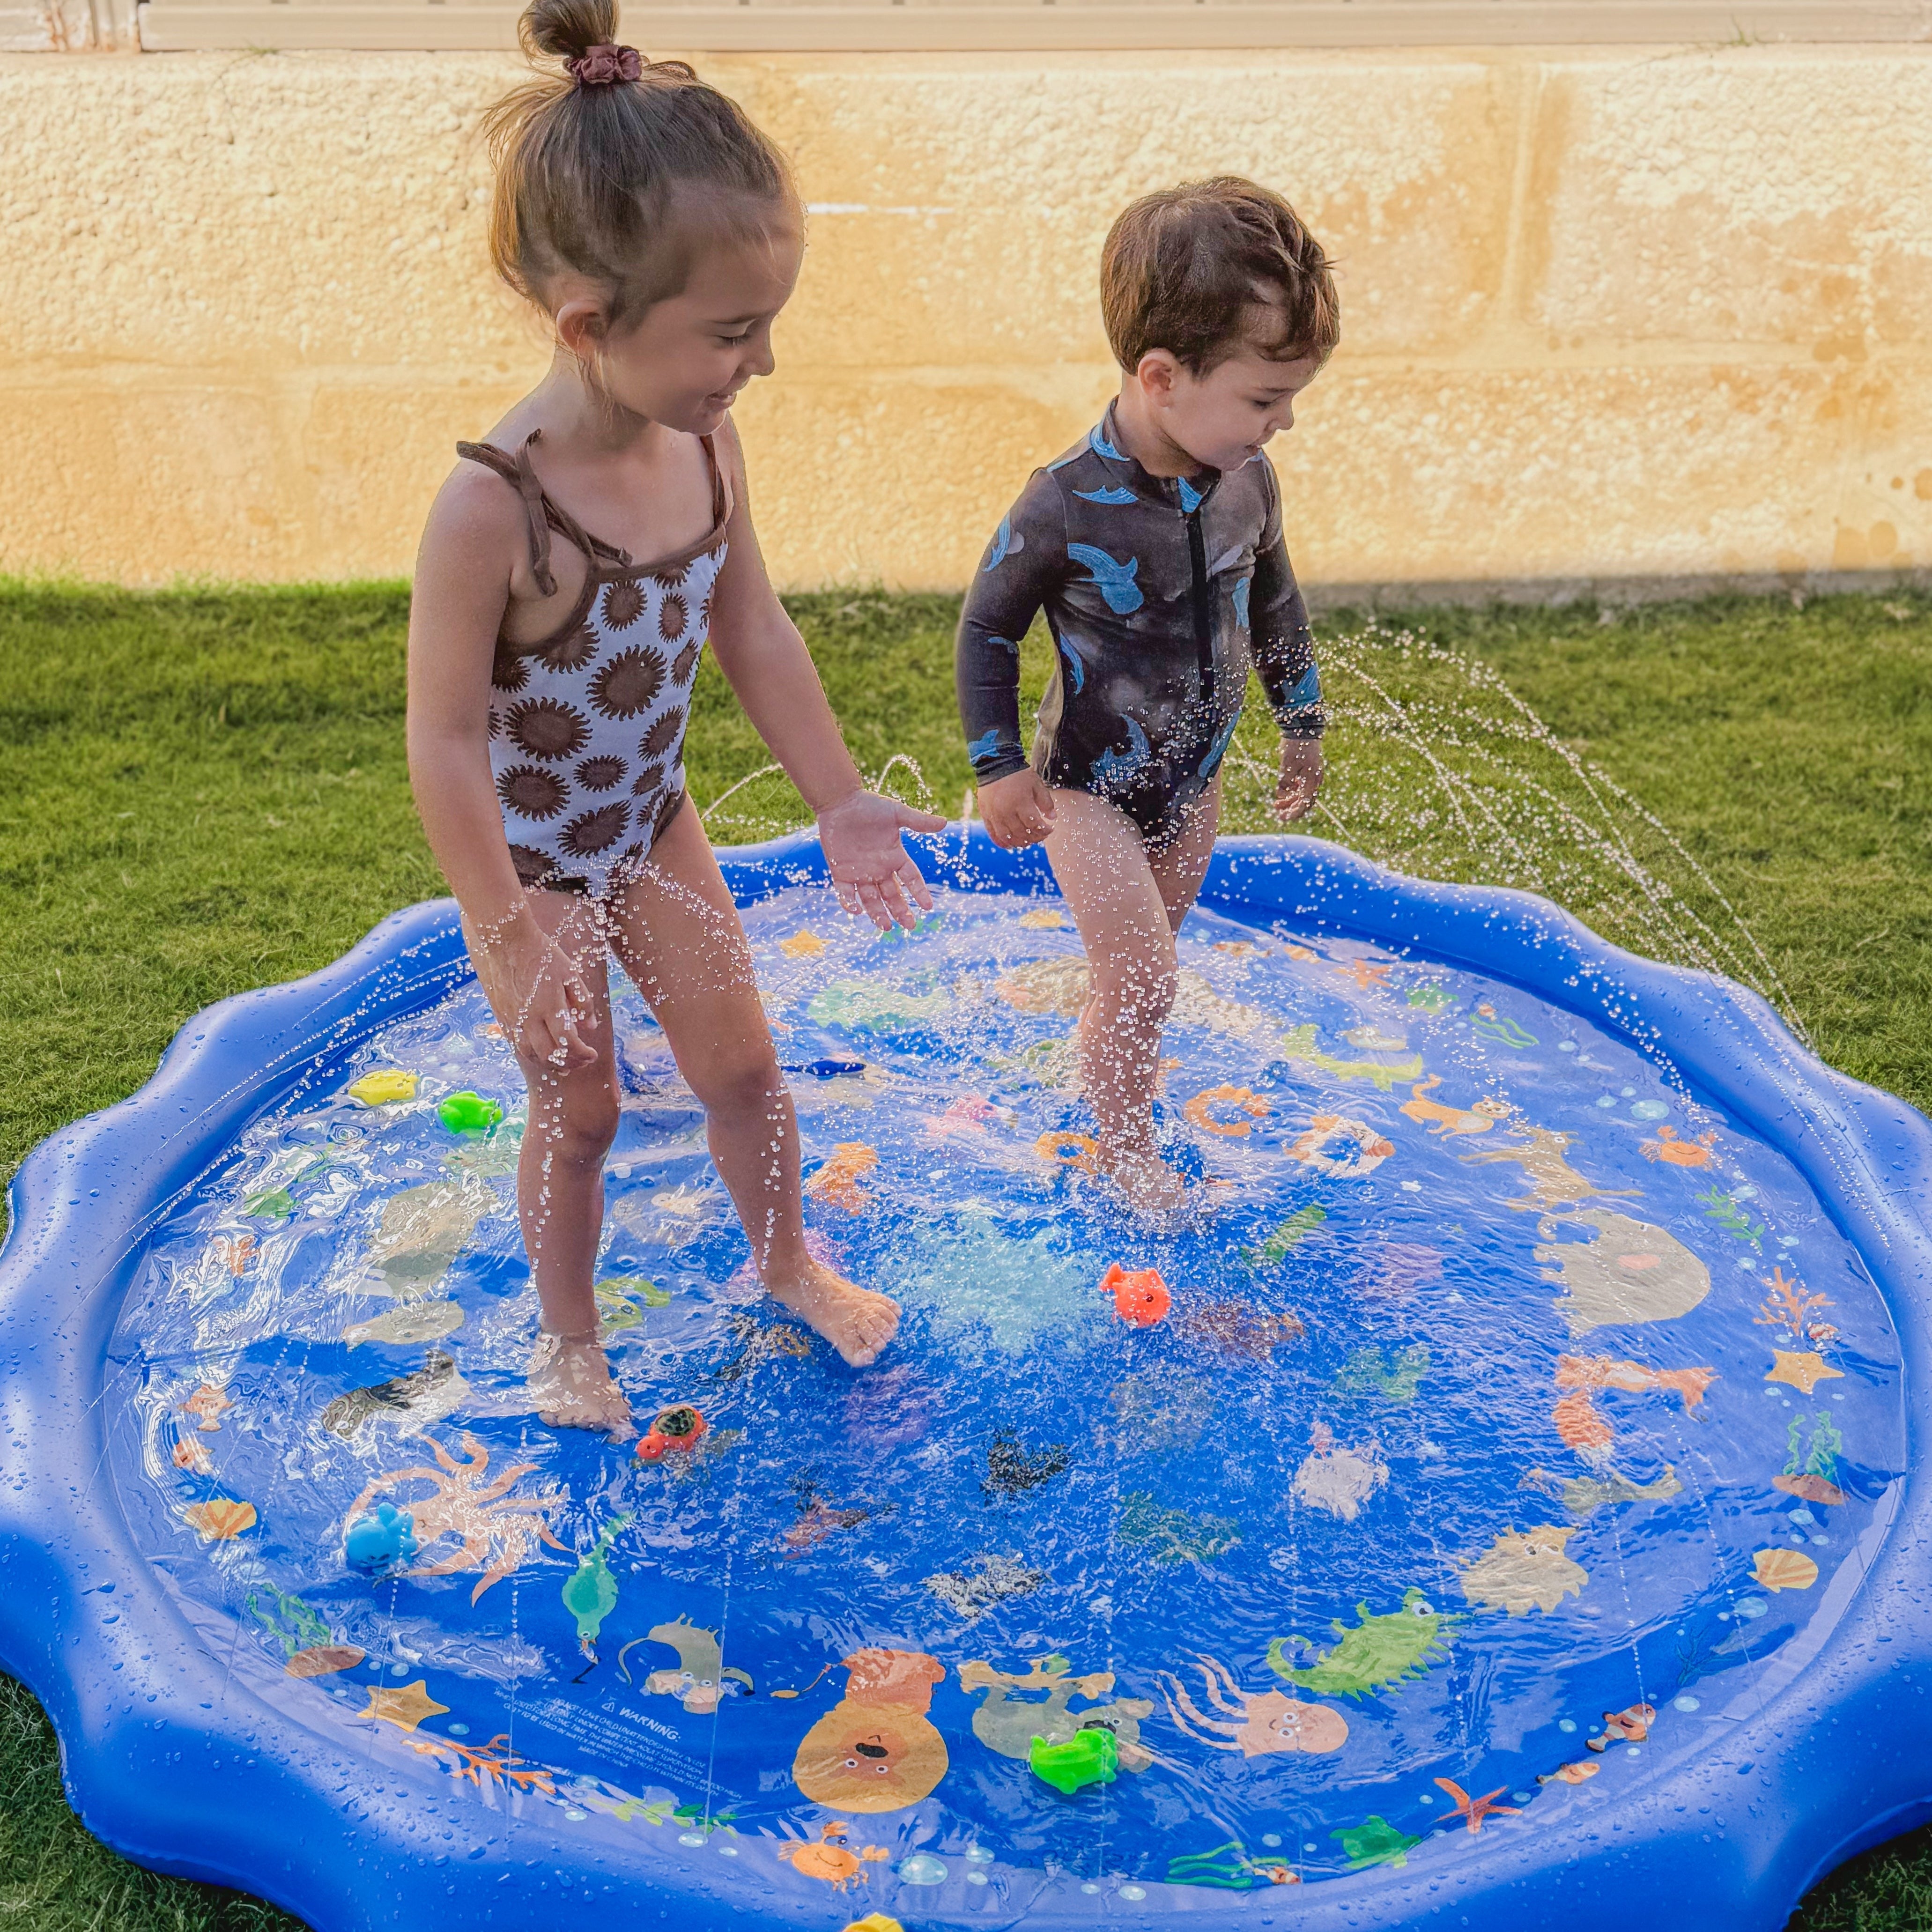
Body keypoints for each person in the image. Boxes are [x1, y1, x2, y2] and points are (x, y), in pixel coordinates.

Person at [407, 0, 944, 1435]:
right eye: (728, 332)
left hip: (649, 827)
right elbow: (445, 738)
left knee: (745, 1070)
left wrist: (836, 796)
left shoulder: (706, 441)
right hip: (526, 874)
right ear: (590, 325)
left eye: (763, 327)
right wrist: (504, 924)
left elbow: (749, 624)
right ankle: (569, 1339)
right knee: (579, 1112)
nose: (755, 363)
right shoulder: (491, 508)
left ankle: (785, 1262)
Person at [955, 178, 1338, 1211]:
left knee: (1142, 979)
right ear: (1161, 376)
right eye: (1264, 398)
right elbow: (985, 624)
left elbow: (1275, 600)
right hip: (1085, 787)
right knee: (1144, 975)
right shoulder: (1064, 498)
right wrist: (995, 765)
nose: (1284, 422)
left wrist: (1299, 720)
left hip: (1194, 781)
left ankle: (1101, 1081)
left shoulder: (1246, 481)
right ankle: (1119, 1155)